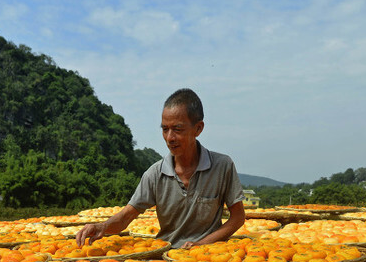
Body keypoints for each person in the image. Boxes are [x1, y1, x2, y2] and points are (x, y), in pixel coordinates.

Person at [76, 89, 246, 249]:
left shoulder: (222, 167)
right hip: (166, 258)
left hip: (209, 258)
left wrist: (202, 244)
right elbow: (127, 216)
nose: (170, 138)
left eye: (177, 129)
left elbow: (238, 217)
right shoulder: (155, 174)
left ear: (198, 128)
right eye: (165, 129)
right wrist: (102, 226)